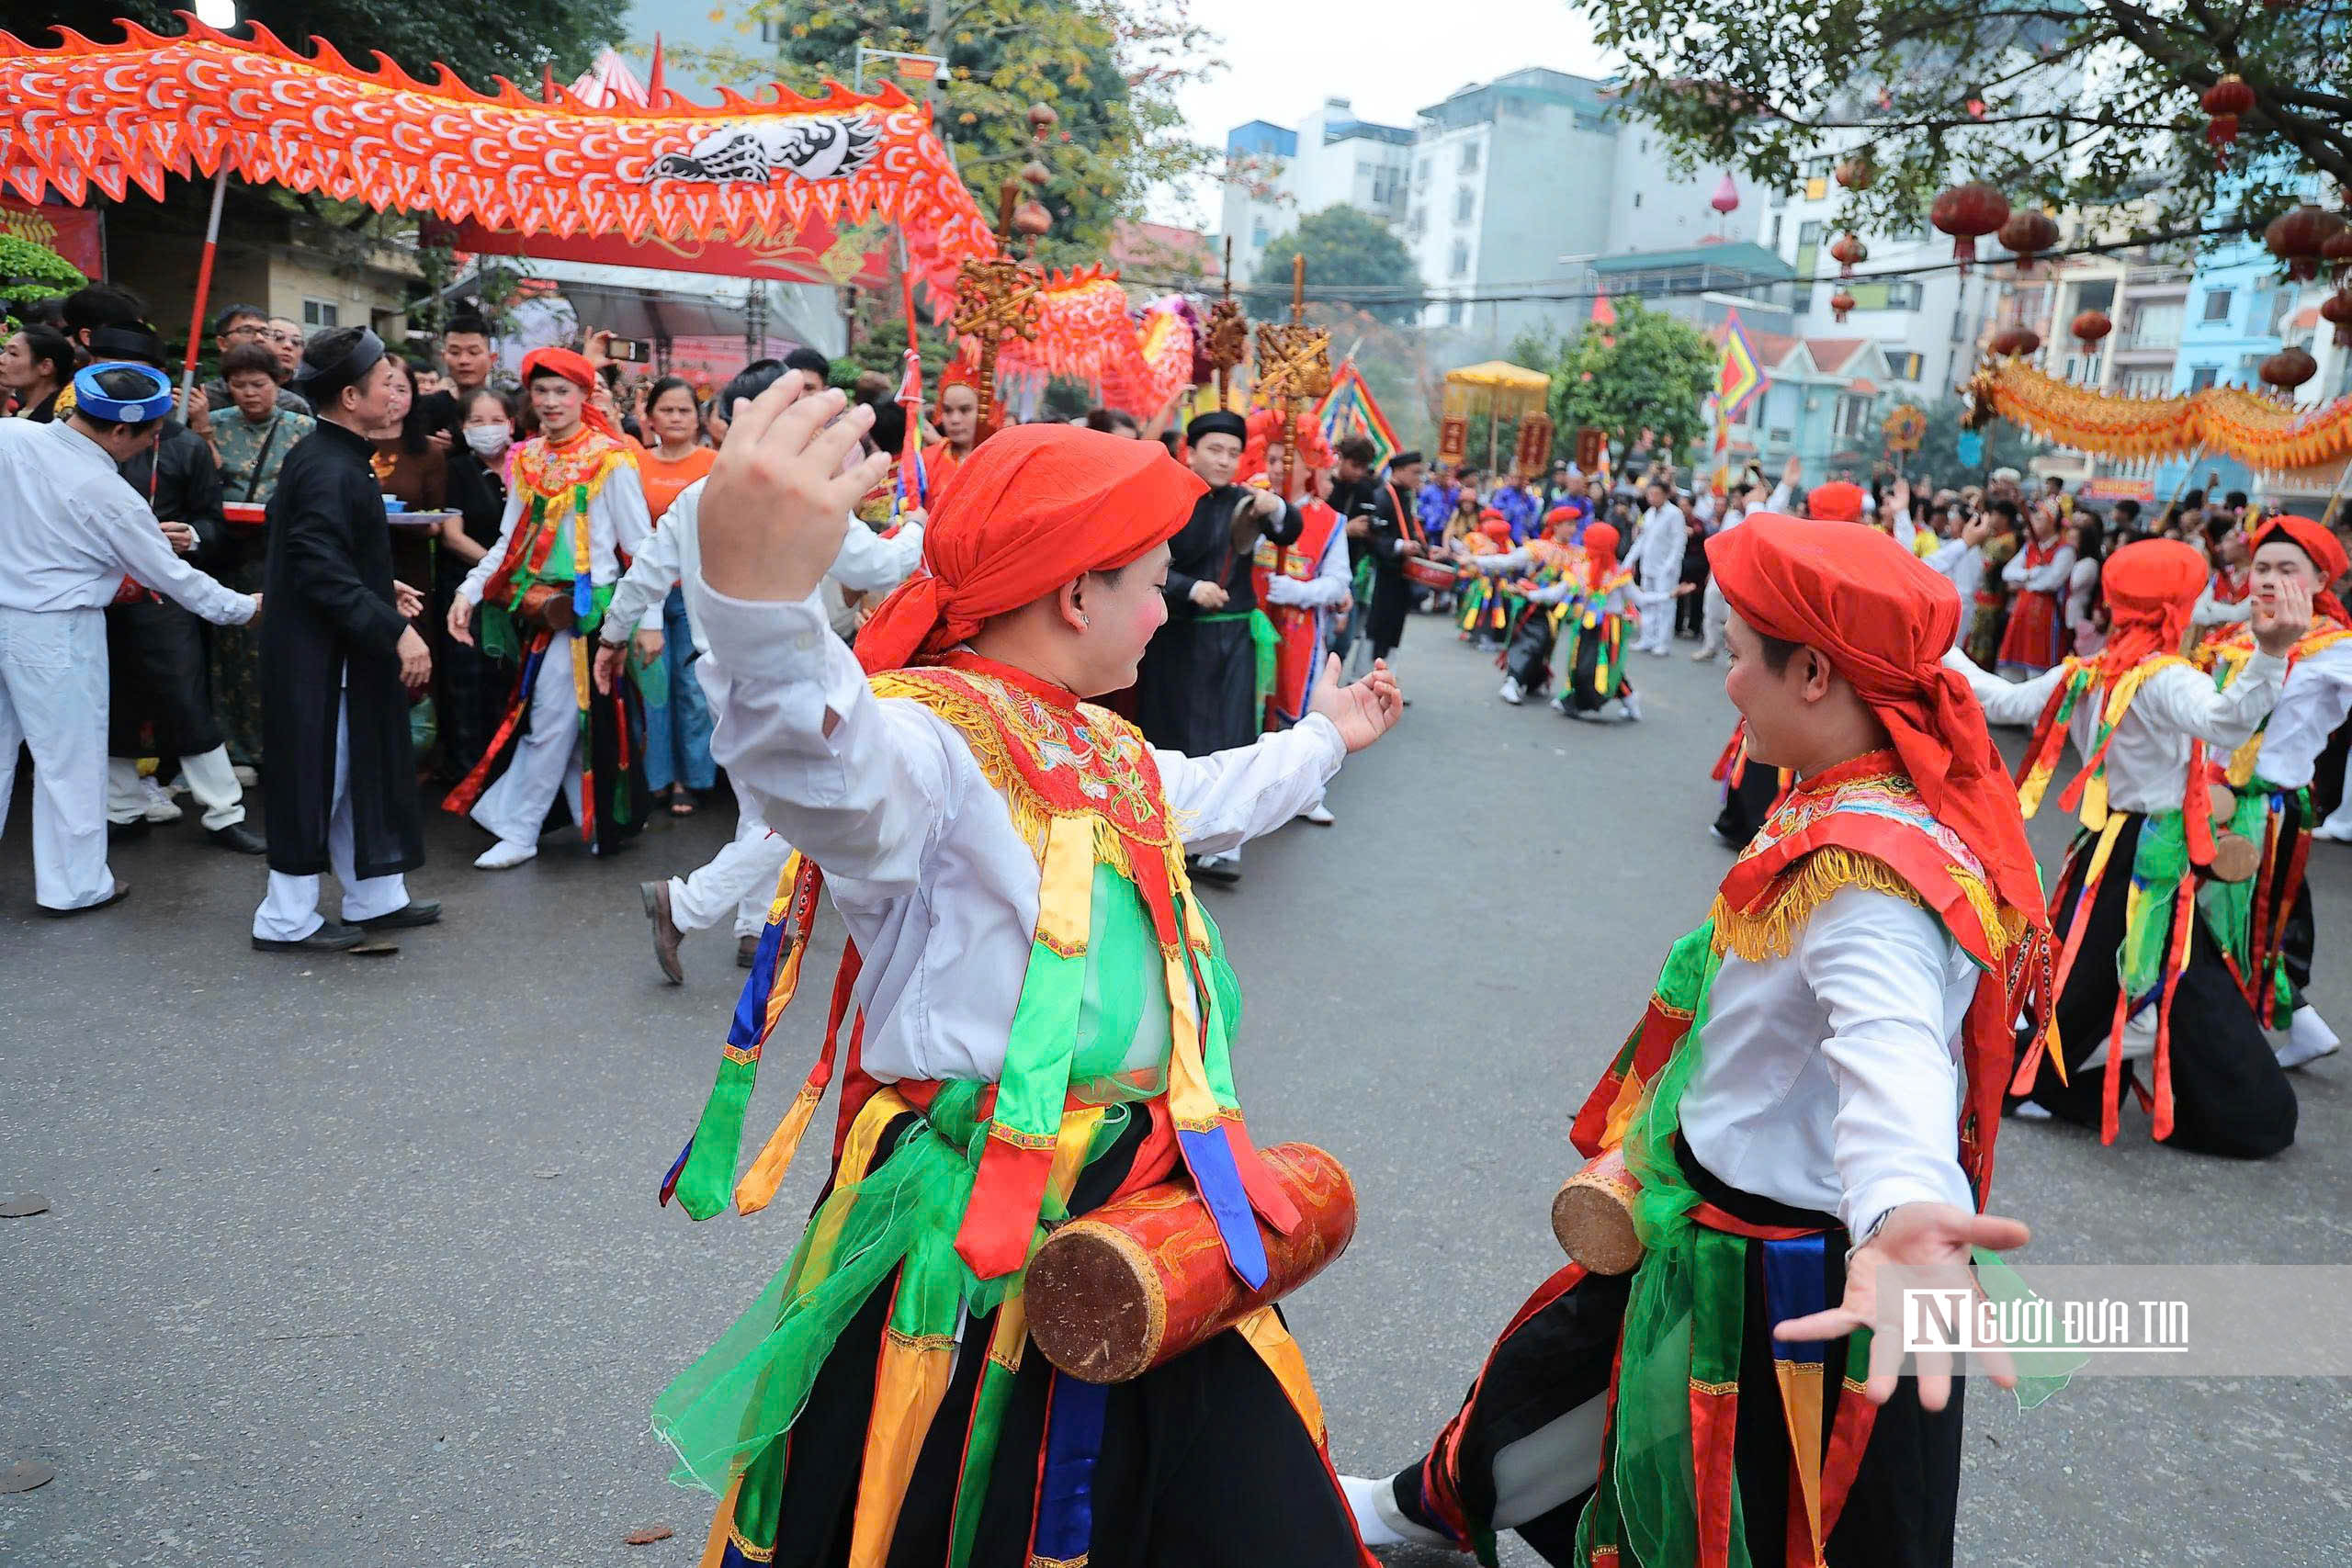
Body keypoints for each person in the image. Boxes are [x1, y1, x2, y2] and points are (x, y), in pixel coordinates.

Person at [656, 390, 1403, 1568]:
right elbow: (816, 766)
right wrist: (757, 609)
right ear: (1074, 595)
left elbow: (1204, 797)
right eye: (1151, 581)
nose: (1166, 604)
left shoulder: (1100, 741)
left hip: (1145, 1189)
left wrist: (1325, 739)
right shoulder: (928, 737)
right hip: (976, 1223)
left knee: (1252, 1506)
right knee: (972, 1498)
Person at [1345, 512, 2050, 1568]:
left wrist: (1906, 1208)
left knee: (1739, 1500)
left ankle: (1420, 1509)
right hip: (1720, 1217)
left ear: (1812, 674)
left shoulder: (1870, 884)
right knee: (1561, 1385)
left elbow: (1893, 1052)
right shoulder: (1860, 797)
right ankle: (1422, 1507)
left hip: (1781, 1273)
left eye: (1736, 657)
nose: (1726, 683)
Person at [1953, 538, 2302, 1156]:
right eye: (2195, 593)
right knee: (2127, 975)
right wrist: (2272, 655)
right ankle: (2052, 1075)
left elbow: (2000, 698)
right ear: (2175, 604)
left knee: (2105, 972)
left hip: (2108, 846)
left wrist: (1940, 647)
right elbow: (2226, 721)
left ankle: (2061, 1075)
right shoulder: (2163, 676)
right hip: (2150, 859)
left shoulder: (2091, 669)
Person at [602, 360, 924, 982]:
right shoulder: (798, 497)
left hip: (721, 676)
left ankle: (751, 926)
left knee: (766, 808)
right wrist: (915, 529)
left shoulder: (698, 496)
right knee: (802, 808)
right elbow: (879, 567)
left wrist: (614, 636)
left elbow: (643, 575)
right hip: (788, 674)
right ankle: (688, 904)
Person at [0, 362, 259, 913]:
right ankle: (75, 886)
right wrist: (244, 608)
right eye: (150, 434)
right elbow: (173, 577)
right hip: (59, 632)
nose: (153, 443)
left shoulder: (11, 437)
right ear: (121, 431)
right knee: (70, 764)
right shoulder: (109, 493)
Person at [250, 326, 439, 953]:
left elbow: (319, 548)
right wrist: (395, 629)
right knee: (317, 778)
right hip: (317, 655)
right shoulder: (328, 464)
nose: (396, 394)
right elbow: (315, 564)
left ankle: (375, 896)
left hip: (338, 649)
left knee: (359, 766)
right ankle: (284, 918)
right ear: (352, 397)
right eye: (387, 383)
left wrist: (380, 585)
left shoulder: (333, 455)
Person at [444, 346, 654, 868]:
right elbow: (508, 541)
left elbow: (640, 546)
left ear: (585, 395)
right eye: (542, 391)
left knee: (553, 718)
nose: (552, 401)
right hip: (541, 608)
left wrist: (648, 620)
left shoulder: (611, 459)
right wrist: (469, 591)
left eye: (563, 390)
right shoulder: (528, 458)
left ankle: (520, 828)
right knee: (573, 718)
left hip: (595, 611)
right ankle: (599, 819)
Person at [93, 323, 264, 855]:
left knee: (186, 699)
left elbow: (215, 526)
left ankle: (223, 812)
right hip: (96, 594)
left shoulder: (187, 447)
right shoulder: (79, 441)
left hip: (165, 595)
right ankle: (122, 809)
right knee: (109, 701)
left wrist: (191, 535)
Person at [2197, 515, 2352, 1070]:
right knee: (2219, 922)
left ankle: (2221, 1053)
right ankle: (2289, 1027)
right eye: (2262, 566)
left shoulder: (2335, 649)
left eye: (2288, 569)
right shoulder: (2236, 636)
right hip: (2210, 799)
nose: (2269, 579)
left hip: (2269, 809)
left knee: (2242, 926)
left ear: (2320, 580)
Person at [1135, 409, 1305, 884]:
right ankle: (1167, 834)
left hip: (1231, 639)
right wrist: (1189, 588)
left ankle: (1224, 844)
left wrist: (1277, 508)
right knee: (1172, 734)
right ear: (1189, 452)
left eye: (1233, 452)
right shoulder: (1166, 500)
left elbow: (1289, 529)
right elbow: (1142, 564)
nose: (1225, 460)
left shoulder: (1248, 503)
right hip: (1175, 635)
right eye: (1214, 449)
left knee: (1229, 735)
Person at [207, 341, 317, 770]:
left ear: (278, 383)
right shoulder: (214, 424)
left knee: (283, 650)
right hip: (231, 551)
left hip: (282, 549)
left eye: (259, 384)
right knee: (231, 653)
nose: (250, 394)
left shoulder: (302, 427)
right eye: (239, 385)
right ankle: (237, 747)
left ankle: (287, 745)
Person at [631, 375, 721, 816]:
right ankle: (657, 778)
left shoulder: (714, 463)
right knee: (654, 685)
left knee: (693, 687)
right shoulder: (634, 464)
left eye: (684, 410)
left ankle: (693, 777)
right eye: (666, 410)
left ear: (698, 419)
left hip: (697, 593)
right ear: (649, 417)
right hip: (648, 590)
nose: (675, 418)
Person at [1251, 435, 1352, 825]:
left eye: (1286, 460)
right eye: (1272, 459)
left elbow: (1338, 582)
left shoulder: (1329, 520)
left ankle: (1307, 793)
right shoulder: (1252, 504)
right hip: (1251, 623)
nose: (1277, 468)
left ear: (1309, 466)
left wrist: (1300, 592)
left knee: (1299, 710)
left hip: (1299, 631)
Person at [1550, 520, 1640, 721]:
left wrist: (1670, 595)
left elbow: (1639, 599)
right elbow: (1557, 593)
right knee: (1589, 665)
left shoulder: (1618, 574)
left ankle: (1576, 701)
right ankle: (1629, 700)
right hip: (1586, 625)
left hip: (1610, 629)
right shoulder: (1579, 570)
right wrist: (1529, 594)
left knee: (1596, 667)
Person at [1996, 500, 2075, 677]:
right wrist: (2031, 574)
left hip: (2046, 620)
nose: (2033, 522)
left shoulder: (2065, 550)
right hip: (2021, 616)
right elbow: (2008, 572)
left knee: (2038, 674)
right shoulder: (2029, 546)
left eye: (2039, 518)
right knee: (2010, 675)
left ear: (2052, 522)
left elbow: (2051, 582)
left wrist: (2023, 583)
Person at [198, 304, 310, 417]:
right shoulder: (203, 398)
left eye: (265, 332)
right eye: (247, 331)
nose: (260, 338)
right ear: (222, 343)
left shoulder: (292, 405)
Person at [1628, 476, 1685, 656]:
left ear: (1665, 495)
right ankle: (1647, 638)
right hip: (1648, 566)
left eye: (1656, 494)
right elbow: (1641, 541)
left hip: (1665, 569)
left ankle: (1662, 642)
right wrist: (1629, 562)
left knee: (1665, 606)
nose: (1652, 497)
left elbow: (1678, 543)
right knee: (1647, 603)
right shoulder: (1649, 514)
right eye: (1650, 494)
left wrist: (1670, 566)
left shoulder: (1675, 514)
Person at [923, 357, 984, 492]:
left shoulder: (999, 461)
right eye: (947, 410)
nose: (955, 419)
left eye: (965, 410)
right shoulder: (927, 460)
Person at [2, 321, 72, 422]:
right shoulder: (20, 413)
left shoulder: (60, 421)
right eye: (4, 351)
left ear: (45, 367)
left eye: (13, 354)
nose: (1, 360)